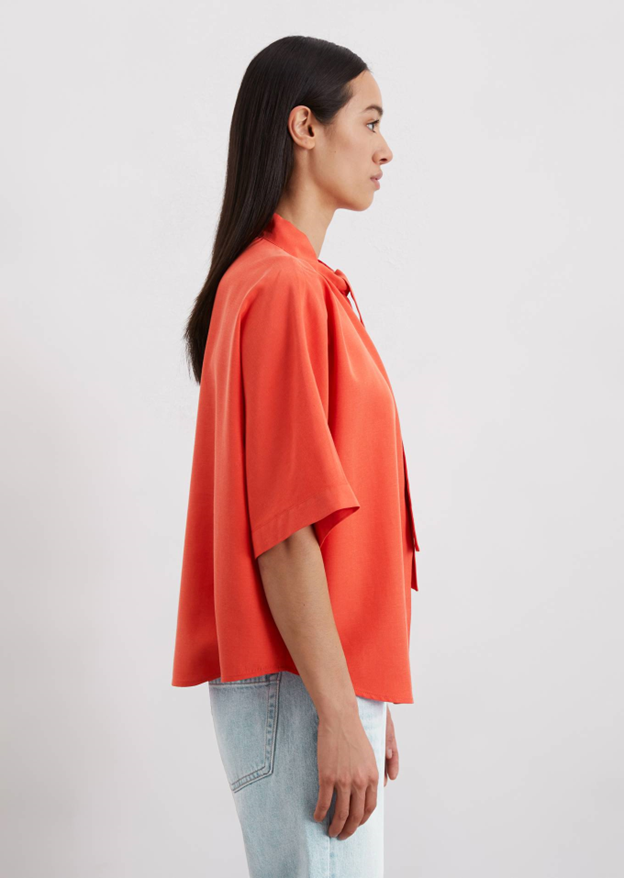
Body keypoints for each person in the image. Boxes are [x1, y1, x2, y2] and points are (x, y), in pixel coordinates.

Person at [171, 35, 420, 878]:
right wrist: (338, 709)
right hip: (300, 687)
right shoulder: (283, 286)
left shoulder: (280, 280)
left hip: (310, 684)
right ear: (305, 127)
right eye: (371, 122)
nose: (386, 149)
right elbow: (283, 530)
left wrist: (359, 696)